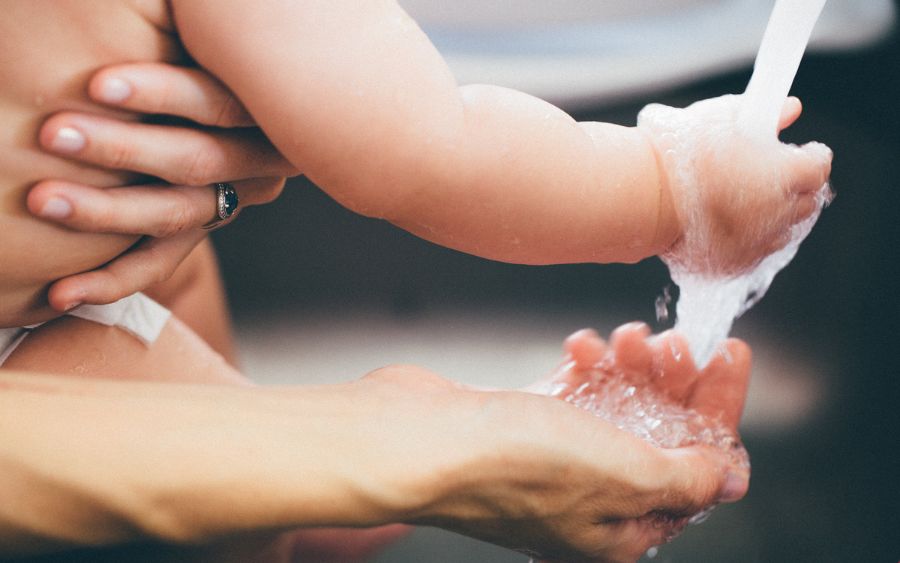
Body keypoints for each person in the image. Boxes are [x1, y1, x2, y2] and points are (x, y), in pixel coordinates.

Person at [0, 1, 825, 560]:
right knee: (172, 438)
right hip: (41, 347)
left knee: (169, 288)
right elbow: (435, 150)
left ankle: (288, 503)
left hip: (49, 303)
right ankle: (258, 521)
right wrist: (672, 191)